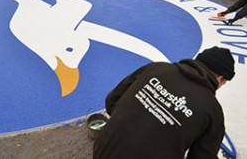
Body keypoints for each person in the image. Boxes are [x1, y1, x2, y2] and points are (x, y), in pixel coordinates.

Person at [93, 46, 236, 159]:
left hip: (104, 149)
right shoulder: (212, 110)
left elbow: (111, 101)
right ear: (219, 77)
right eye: (223, 83)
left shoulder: (157, 68)